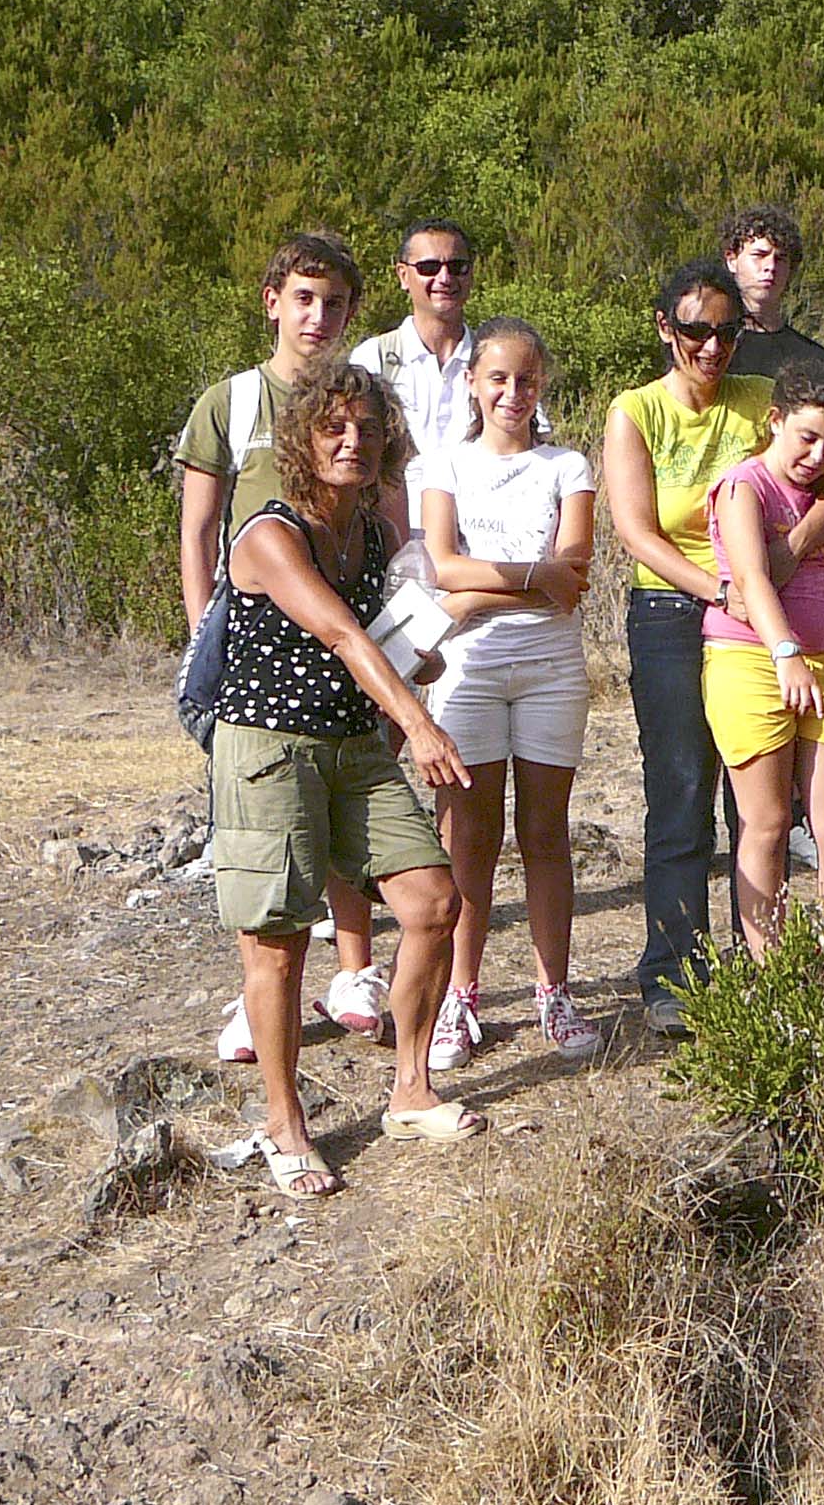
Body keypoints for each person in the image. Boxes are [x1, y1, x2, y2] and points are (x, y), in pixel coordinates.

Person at [207, 363, 484, 1196]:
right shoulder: (269, 533)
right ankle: (284, 1124)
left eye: (366, 428)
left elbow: (379, 640)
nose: (352, 442)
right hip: (269, 749)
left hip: (352, 744)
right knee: (280, 940)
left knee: (433, 902)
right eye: (333, 427)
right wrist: (419, 723)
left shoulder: (371, 533)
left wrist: (419, 655)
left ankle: (411, 1090)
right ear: (302, 438)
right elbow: (339, 635)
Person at [603, 258, 824, 1036]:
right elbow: (636, 530)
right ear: (664, 328)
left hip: (763, 613)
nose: (712, 347)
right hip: (672, 611)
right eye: (696, 331)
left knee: (760, 805)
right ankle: (674, 969)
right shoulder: (636, 412)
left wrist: (786, 552)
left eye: (727, 331)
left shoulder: (758, 400)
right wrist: (722, 587)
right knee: (681, 791)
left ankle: (762, 960)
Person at [175, 229, 386, 1059]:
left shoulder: (363, 404)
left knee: (350, 794)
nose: (317, 316)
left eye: (333, 303)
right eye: (303, 298)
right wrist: (205, 631)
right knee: (266, 820)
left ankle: (356, 971)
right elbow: (199, 529)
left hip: (347, 634)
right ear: (273, 303)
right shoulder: (230, 402)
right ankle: (259, 994)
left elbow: (386, 514)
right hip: (258, 640)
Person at [416, 316, 605, 1070]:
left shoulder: (567, 466)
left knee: (545, 833)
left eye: (526, 379)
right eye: (497, 378)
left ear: (542, 383)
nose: (512, 393)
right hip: (468, 669)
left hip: (550, 667)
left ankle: (553, 991)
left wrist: (475, 593)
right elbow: (441, 564)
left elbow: (574, 574)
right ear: (472, 382)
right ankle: (459, 997)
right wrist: (529, 577)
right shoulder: (446, 465)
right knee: (469, 837)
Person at [703, 360, 824, 956]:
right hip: (749, 658)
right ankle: (770, 970)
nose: (816, 455)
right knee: (768, 821)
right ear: (775, 421)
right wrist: (785, 652)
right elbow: (751, 579)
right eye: (806, 437)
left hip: (820, 663)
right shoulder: (744, 486)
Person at [349, 218, 481, 545]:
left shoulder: (496, 364)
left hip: (479, 554)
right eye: (429, 267)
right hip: (390, 547)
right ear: (403, 276)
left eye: (457, 267)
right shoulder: (372, 360)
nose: (444, 278)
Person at [720, 203, 824, 380]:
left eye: (781, 258)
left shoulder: (811, 358)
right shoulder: (710, 348)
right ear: (732, 260)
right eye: (759, 255)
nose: (771, 267)